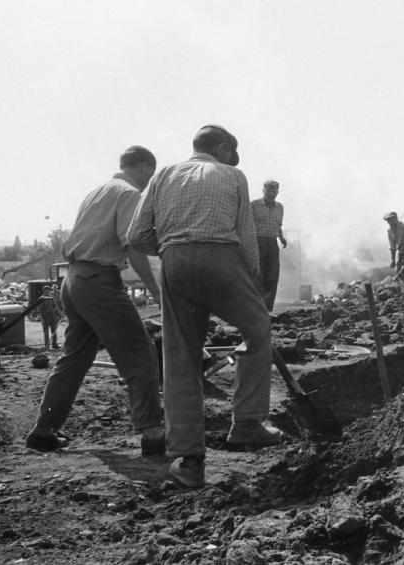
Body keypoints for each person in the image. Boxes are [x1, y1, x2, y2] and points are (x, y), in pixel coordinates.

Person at [128, 124, 281, 488]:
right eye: (233, 151)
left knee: (181, 357)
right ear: (224, 148)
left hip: (174, 262)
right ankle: (247, 422)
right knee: (258, 328)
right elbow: (245, 237)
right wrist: (254, 284)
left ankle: (189, 461)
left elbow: (136, 236)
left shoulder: (163, 174)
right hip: (221, 258)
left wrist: (171, 248)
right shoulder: (233, 175)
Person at [25, 146, 165, 457]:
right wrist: (155, 290)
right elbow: (133, 248)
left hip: (73, 281)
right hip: (98, 281)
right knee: (139, 352)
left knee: (74, 357)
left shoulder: (97, 192)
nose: (148, 184)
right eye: (150, 176)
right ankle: (153, 433)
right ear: (143, 167)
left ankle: (43, 431)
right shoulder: (129, 194)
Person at [250, 179, 287, 311]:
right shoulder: (254, 205)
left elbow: (278, 225)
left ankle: (267, 308)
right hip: (258, 242)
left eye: (274, 190)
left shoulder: (280, 207)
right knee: (259, 274)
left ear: (277, 191)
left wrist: (282, 238)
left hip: (272, 242)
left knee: (272, 275)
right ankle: (256, 307)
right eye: (268, 190)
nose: (271, 193)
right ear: (263, 190)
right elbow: (246, 223)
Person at [39, 284, 60, 350]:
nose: (48, 291)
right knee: (46, 331)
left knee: (54, 330)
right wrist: (42, 318)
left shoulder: (51, 297)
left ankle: (54, 344)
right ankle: (47, 346)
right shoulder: (41, 298)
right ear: (44, 291)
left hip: (52, 316)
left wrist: (59, 313)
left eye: (49, 290)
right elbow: (40, 309)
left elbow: (55, 306)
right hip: (45, 316)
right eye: (47, 290)